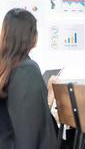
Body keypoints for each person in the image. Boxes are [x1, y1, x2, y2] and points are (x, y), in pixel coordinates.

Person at [0, 8, 57, 149]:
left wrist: (48, 97)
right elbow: (30, 136)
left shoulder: (6, 68)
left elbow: (27, 122)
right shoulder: (27, 70)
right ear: (31, 36)